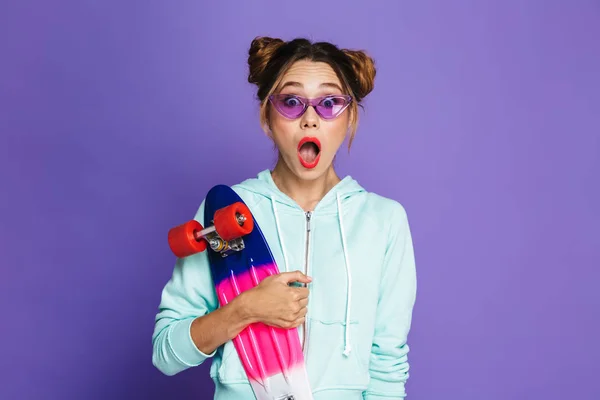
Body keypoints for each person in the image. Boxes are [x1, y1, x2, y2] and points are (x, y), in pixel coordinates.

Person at [152, 36, 417, 399]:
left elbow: (387, 370)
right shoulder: (227, 212)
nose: (310, 119)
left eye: (330, 103)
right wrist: (244, 309)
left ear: (350, 116)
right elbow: (166, 355)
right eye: (291, 102)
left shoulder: (383, 221)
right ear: (266, 116)